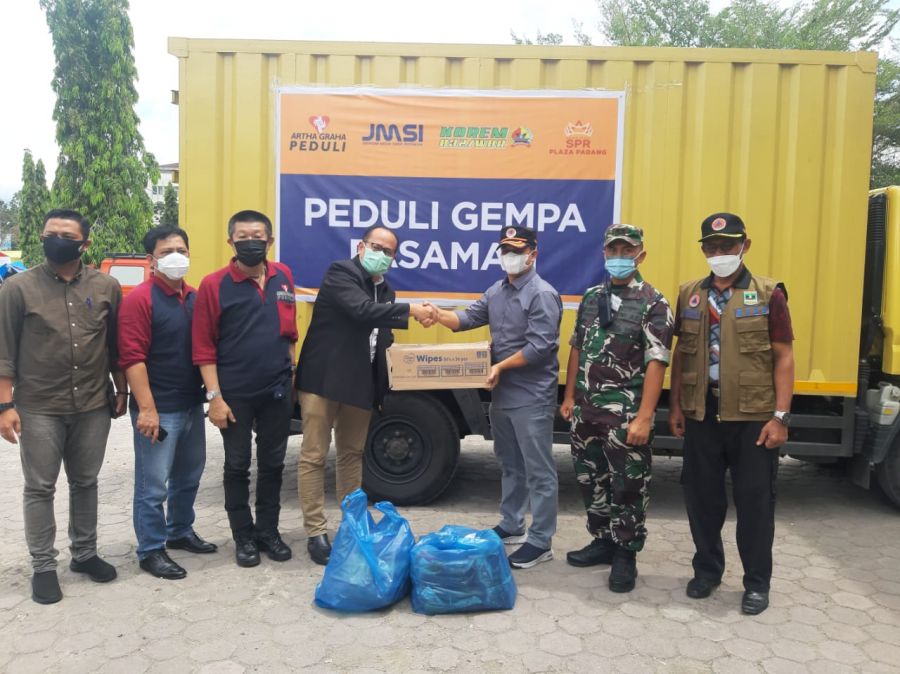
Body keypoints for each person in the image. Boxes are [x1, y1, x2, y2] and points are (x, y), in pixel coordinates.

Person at [668, 212, 794, 615]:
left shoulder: (768, 293)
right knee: (702, 501)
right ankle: (707, 572)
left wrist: (780, 417)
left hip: (753, 418)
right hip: (701, 414)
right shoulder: (689, 293)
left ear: (745, 246)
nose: (719, 252)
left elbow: (784, 356)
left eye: (727, 245)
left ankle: (757, 583)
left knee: (755, 505)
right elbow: (680, 354)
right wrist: (675, 405)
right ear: (704, 249)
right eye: (712, 246)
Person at [0, 208, 127, 604]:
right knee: (40, 487)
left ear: (84, 244)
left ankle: (85, 554)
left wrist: (122, 391)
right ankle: (43, 566)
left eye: (67, 235)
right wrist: (5, 406)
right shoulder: (17, 289)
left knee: (85, 482)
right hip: (39, 406)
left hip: (92, 403)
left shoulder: (106, 286)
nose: (56, 240)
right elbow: (4, 351)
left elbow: (115, 347)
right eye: (50, 233)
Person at [423, 226, 562, 569]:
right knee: (510, 463)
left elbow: (540, 346)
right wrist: (437, 314)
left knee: (539, 471)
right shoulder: (496, 291)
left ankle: (541, 541)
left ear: (533, 254)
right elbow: (467, 318)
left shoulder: (542, 294)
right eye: (505, 250)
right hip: (502, 394)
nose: (510, 256)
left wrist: (499, 365)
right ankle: (512, 523)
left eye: (517, 250)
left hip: (532, 396)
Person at [295, 225, 434, 565]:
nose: (381, 255)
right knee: (314, 455)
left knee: (351, 455)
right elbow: (360, 311)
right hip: (323, 379)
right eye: (376, 247)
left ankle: (352, 525)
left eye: (388, 251)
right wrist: (412, 311)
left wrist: (380, 388)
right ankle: (315, 531)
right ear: (361, 247)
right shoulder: (341, 273)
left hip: (360, 384)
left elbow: (382, 339)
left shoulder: (386, 291)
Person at [560, 224, 673, 593]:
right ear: (604, 254)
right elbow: (578, 346)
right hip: (587, 412)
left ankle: (626, 552)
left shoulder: (654, 302)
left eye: (627, 251)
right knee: (591, 479)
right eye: (614, 250)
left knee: (628, 486)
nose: (620, 257)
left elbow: (657, 361)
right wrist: (569, 397)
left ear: (641, 255)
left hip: (626, 417)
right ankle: (603, 540)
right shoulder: (592, 297)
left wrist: (644, 417)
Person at [192, 210, 298, 568]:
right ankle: (243, 536)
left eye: (258, 237)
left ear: (270, 241)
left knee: (273, 465)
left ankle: (268, 532)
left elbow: (290, 331)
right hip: (234, 394)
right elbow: (203, 347)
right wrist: (215, 398)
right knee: (237, 466)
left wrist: (290, 373)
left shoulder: (283, 276)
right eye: (242, 237)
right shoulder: (214, 284)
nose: (250, 243)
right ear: (231, 242)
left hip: (277, 392)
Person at [118, 226, 216, 580]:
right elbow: (132, 358)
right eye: (167, 251)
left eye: (181, 250)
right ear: (151, 260)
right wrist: (146, 409)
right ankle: (151, 549)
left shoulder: (194, 297)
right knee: (153, 485)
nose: (176, 256)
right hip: (158, 410)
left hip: (190, 404)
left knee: (189, 476)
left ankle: (179, 530)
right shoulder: (139, 300)